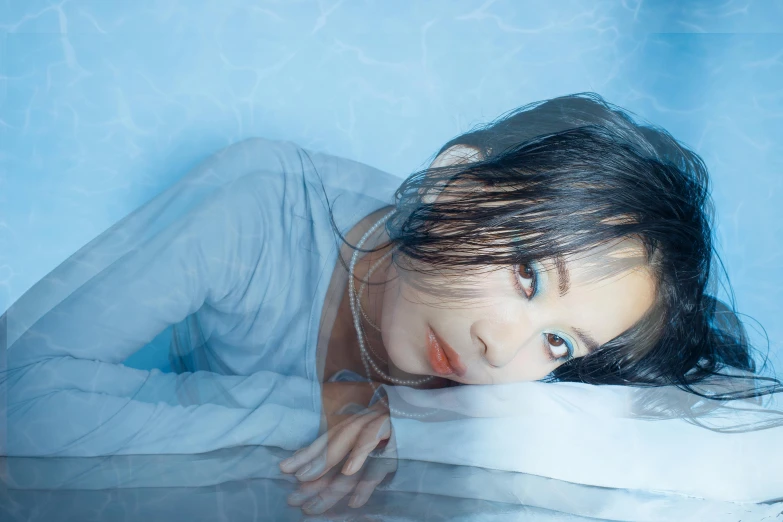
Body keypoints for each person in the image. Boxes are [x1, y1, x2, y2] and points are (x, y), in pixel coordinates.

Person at [2, 93, 780, 515]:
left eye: (557, 344)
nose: (499, 351)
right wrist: (331, 413)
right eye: (527, 276)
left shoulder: (518, 391)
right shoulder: (259, 202)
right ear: (451, 182)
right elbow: (16, 396)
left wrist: (415, 426)